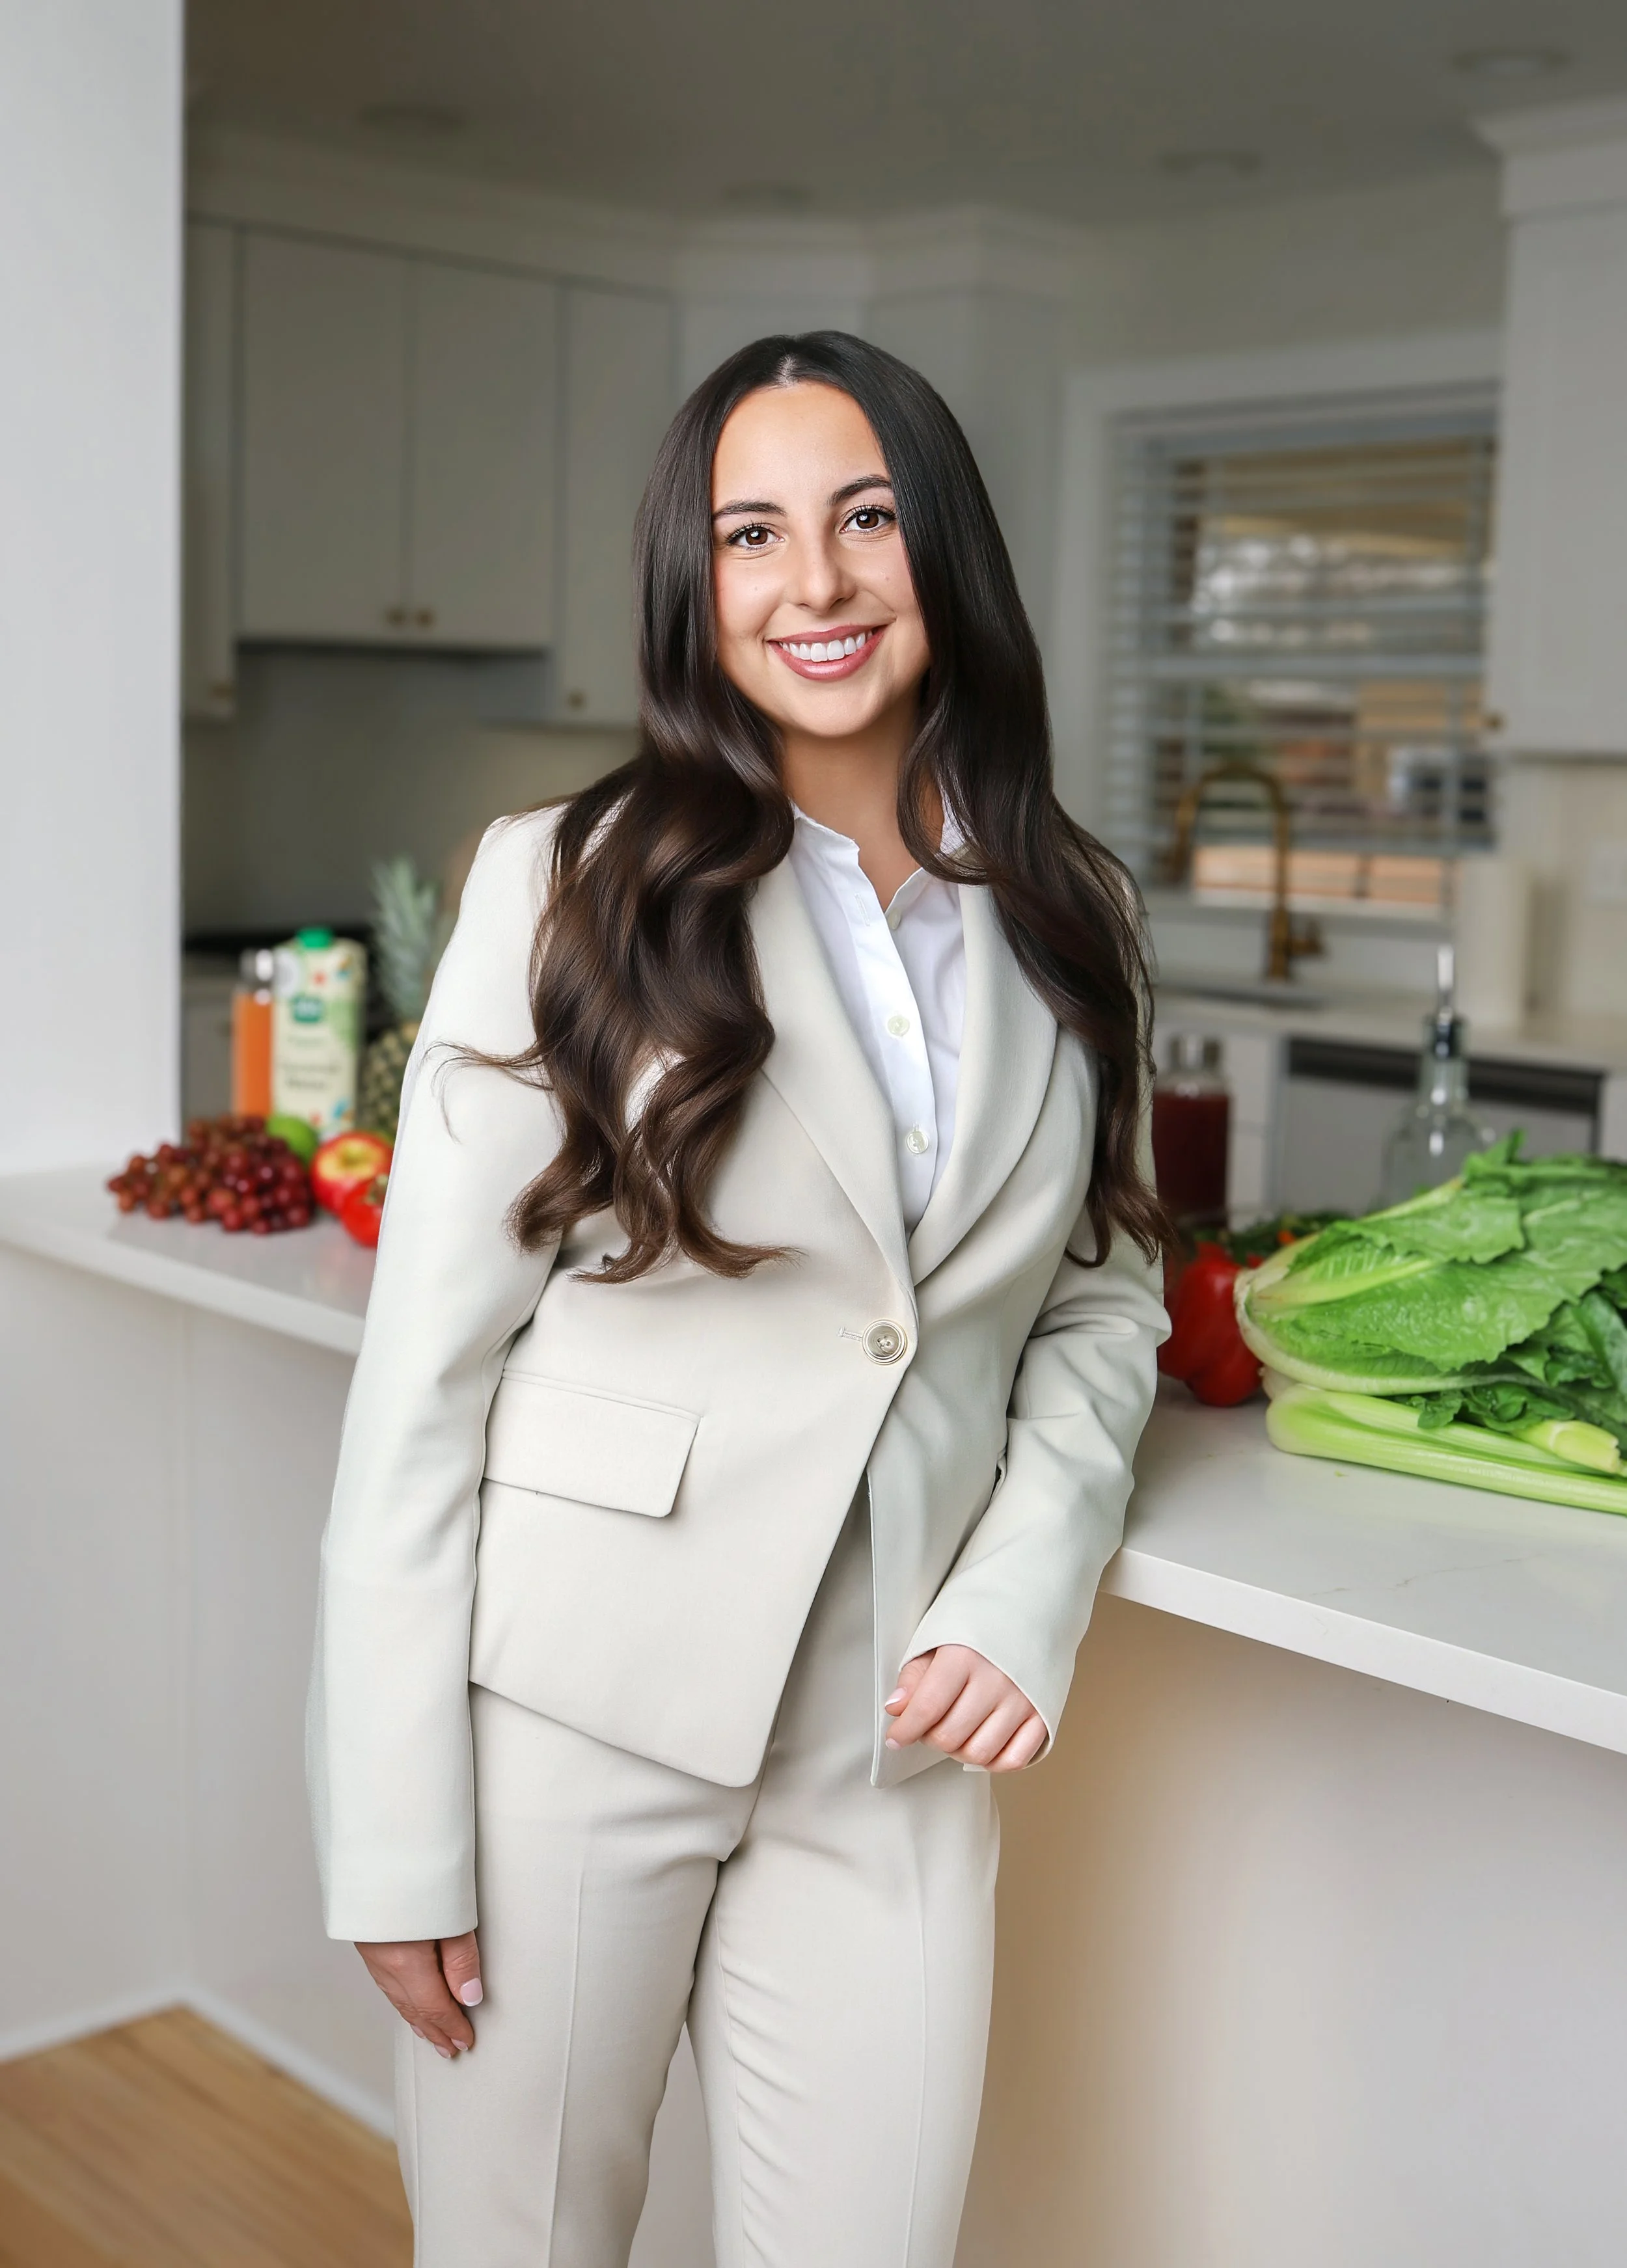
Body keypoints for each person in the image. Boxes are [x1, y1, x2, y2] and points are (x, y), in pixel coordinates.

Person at [307, 331, 1169, 2268]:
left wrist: (1027, 1581)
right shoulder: (564, 885)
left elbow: (1103, 1299)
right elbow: (423, 1387)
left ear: (942, 550)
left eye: (867, 517)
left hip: (899, 1746)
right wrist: (389, 1822)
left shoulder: (1071, 911)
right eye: (752, 531)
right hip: (569, 1720)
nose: (819, 582)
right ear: (697, 586)